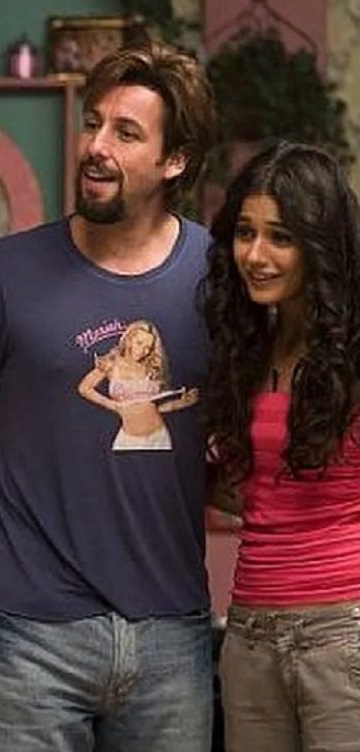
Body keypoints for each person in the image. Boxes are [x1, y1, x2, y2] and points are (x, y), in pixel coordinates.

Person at [0, 41, 217, 751]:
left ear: (175, 160)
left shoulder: (220, 279)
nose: (96, 146)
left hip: (171, 635)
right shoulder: (6, 271)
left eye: (126, 133)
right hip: (23, 633)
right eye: (92, 123)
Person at [201, 140, 360, 752]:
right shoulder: (245, 351)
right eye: (246, 233)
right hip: (248, 635)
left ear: (320, 248)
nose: (255, 255)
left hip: (343, 632)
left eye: (281, 238)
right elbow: (248, 490)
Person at [77, 319, 199, 450]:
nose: (143, 351)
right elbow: (84, 388)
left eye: (148, 348)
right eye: (139, 343)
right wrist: (112, 405)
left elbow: (153, 407)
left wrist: (182, 403)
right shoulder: (111, 364)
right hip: (128, 439)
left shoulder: (150, 368)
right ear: (129, 339)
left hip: (159, 438)